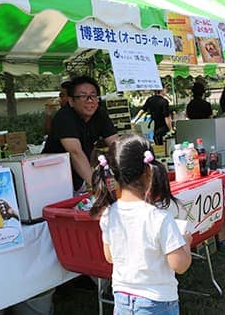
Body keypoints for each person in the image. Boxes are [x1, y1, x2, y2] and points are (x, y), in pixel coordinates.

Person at [89, 134, 192, 315]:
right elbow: (180, 265)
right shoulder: (159, 218)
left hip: (122, 298)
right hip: (157, 302)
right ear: (149, 170)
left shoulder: (109, 214)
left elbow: (110, 256)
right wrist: (186, 242)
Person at [42, 75, 118, 193]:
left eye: (93, 96)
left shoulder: (100, 114)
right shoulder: (64, 117)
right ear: (71, 101)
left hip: (79, 176)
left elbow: (116, 145)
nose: (90, 100)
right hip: (52, 177)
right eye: (83, 96)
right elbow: (75, 152)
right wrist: (97, 186)